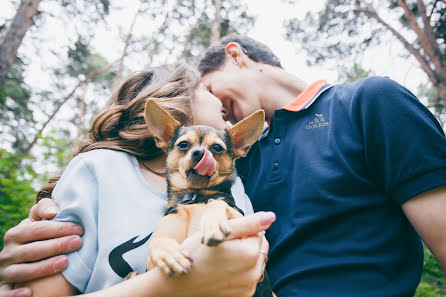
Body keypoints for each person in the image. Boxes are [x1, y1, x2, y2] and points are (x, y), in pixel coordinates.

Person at [198, 34, 446, 297]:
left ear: (236, 55)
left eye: (211, 90)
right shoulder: (242, 165)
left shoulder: (368, 102)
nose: (218, 110)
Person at [0, 63, 275, 297]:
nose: (220, 101)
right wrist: (161, 287)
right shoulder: (100, 169)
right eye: (208, 90)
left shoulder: (232, 186)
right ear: (175, 96)